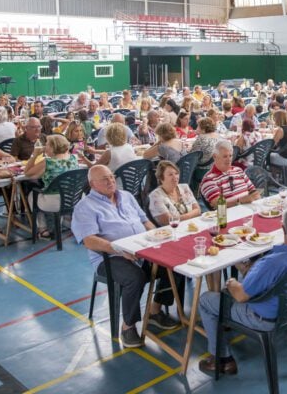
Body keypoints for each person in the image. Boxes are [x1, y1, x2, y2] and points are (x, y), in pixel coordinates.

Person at [197, 206, 287, 375]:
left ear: (283, 228)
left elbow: (240, 296)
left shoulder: (272, 263)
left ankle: (222, 359)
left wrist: (231, 282)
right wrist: (249, 268)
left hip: (262, 318)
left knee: (206, 299)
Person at [71, 165, 180, 347]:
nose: (111, 181)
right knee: (134, 278)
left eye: (112, 177)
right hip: (109, 257)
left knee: (174, 264)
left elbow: (145, 221)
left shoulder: (127, 196)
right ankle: (128, 327)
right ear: (92, 184)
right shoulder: (85, 207)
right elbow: (89, 240)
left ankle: (155, 311)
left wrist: (158, 238)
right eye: (104, 179)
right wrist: (119, 250)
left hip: (141, 250)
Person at [24, 134, 79, 240]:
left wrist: (34, 155)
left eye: (47, 145)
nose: (45, 147)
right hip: (72, 200)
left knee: (32, 195)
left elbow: (27, 173)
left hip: (55, 203)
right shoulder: (73, 158)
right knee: (60, 190)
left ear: (54, 147)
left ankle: (43, 229)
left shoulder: (47, 162)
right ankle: (60, 221)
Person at [200, 140, 260, 209]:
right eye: (225, 156)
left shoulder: (238, 170)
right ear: (214, 157)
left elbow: (253, 191)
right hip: (229, 217)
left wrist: (255, 196)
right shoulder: (209, 179)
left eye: (230, 156)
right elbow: (218, 205)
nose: (229, 159)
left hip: (249, 210)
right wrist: (240, 201)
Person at [148, 160, 200, 225]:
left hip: (192, 225)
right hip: (171, 231)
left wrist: (183, 217)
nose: (175, 177)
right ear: (161, 178)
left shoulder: (184, 187)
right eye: (170, 174)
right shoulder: (155, 196)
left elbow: (198, 210)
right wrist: (190, 215)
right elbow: (168, 220)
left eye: (176, 173)